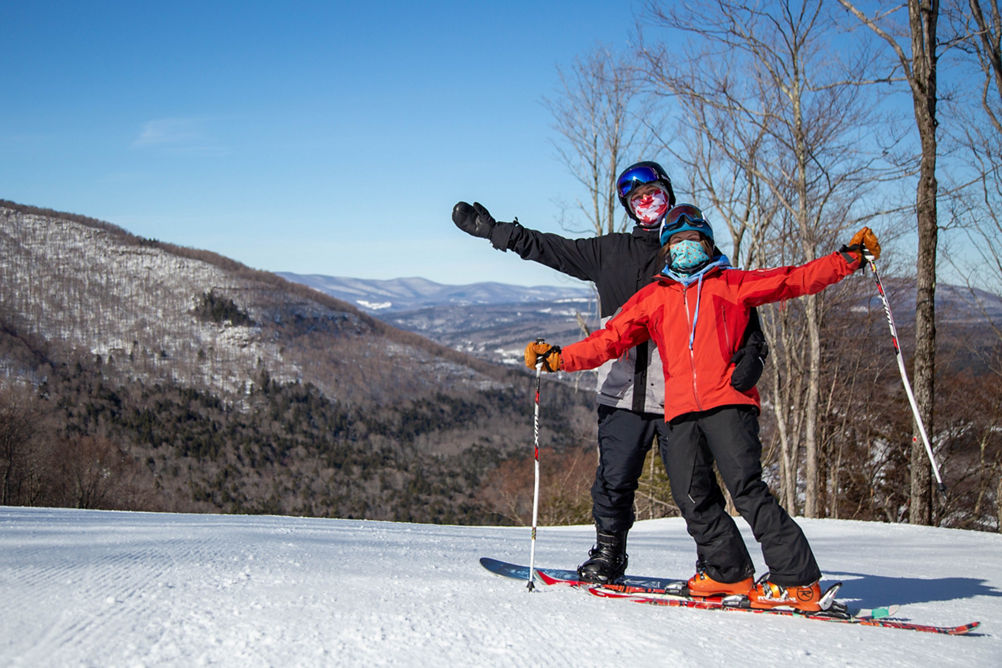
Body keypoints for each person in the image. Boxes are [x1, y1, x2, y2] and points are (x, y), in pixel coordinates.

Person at [524, 203, 881, 611]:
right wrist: (558, 358)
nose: (684, 247)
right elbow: (609, 339)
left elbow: (792, 280)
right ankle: (727, 571)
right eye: (676, 241)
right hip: (679, 412)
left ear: (707, 245)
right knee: (692, 496)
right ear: (665, 249)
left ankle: (796, 580)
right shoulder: (653, 298)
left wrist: (847, 259)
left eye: (692, 240)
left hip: (727, 403)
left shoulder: (731, 284)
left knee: (746, 491)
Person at [453, 162, 768, 584]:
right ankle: (607, 557)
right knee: (613, 483)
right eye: (637, 199)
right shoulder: (610, 252)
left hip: (681, 395)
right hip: (621, 394)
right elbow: (552, 248)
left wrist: (755, 352)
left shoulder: (692, 245)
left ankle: (721, 566)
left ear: (668, 194)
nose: (647, 203)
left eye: (654, 193)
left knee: (695, 490)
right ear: (628, 207)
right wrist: (496, 232)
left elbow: (736, 300)